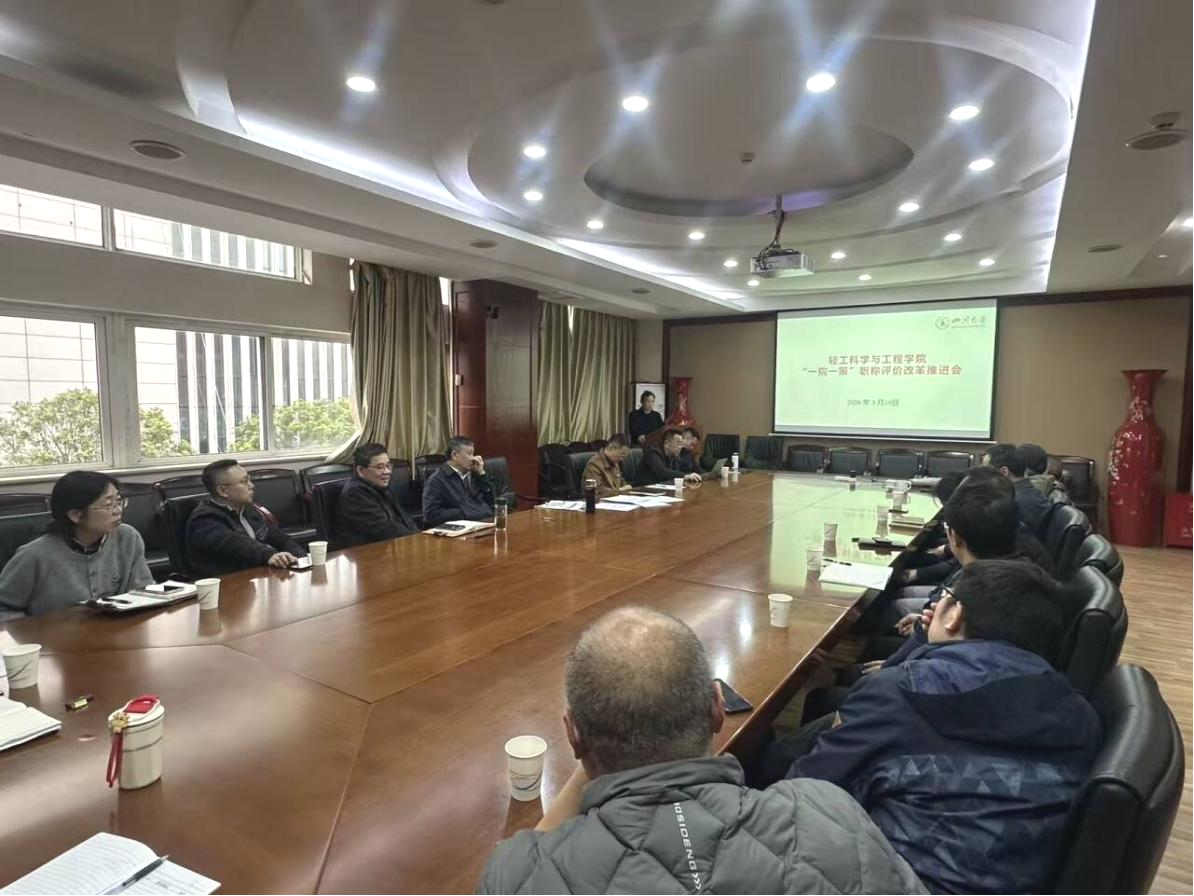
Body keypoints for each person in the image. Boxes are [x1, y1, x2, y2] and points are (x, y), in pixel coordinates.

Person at [477, 607, 927, 895]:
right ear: (717, 708)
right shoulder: (831, 812)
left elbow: (526, 857)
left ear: (573, 736)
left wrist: (590, 747)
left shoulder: (516, 874)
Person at [787, 560, 1102, 896]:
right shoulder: (1081, 713)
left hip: (897, 879)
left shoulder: (900, 694)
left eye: (945, 596)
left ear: (954, 615)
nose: (935, 604)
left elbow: (806, 788)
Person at [0, 471, 152, 617]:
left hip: (118, 631)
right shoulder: (34, 555)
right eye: (108, 505)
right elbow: (4, 607)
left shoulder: (127, 537)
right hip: (54, 634)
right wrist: (33, 629)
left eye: (118, 501)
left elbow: (144, 593)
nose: (118, 510)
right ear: (76, 515)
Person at [186, 459, 306, 577]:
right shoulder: (204, 520)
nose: (251, 485)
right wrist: (269, 555)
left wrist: (302, 559)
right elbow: (237, 545)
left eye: (249, 480)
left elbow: (280, 539)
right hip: (228, 583)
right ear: (222, 491)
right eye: (244, 482)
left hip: (257, 577)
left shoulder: (247, 510)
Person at [332, 442, 418, 547]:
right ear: (361, 470)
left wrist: (418, 535)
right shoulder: (355, 493)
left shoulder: (379, 485)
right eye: (380, 467)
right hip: (366, 552)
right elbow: (385, 529)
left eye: (388, 466)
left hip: (390, 546)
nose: (387, 471)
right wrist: (415, 540)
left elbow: (404, 518)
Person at [422, 435, 496, 527]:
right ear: (454, 455)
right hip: (455, 530)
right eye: (469, 454)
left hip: (482, 524)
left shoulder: (474, 473)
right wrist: (466, 512)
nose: (473, 459)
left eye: (473, 454)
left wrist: (481, 474)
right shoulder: (437, 480)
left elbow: (492, 504)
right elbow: (430, 515)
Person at [984, 442, 1052, 533]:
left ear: (1004, 472)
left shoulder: (1011, 504)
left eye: (985, 471)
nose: (982, 476)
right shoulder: (1034, 493)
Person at [632, 428, 703, 487]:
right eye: (678, 443)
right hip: (643, 490)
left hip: (661, 490)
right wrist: (685, 476)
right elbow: (662, 472)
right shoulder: (653, 453)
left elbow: (676, 472)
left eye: (681, 444)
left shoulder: (674, 457)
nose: (680, 447)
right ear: (666, 443)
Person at [580, 433, 631, 499]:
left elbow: (620, 481)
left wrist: (626, 486)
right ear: (611, 448)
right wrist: (620, 490)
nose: (622, 459)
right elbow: (596, 491)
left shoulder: (615, 463)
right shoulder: (594, 464)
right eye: (621, 455)